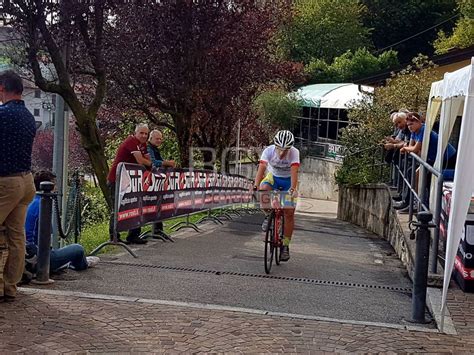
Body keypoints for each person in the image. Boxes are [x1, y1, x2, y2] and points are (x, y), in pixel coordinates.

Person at [0, 70, 37, 302]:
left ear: (2, 89)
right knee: (17, 238)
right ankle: (10, 287)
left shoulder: (2, 114)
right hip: (26, 182)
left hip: (6, 182)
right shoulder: (27, 116)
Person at [24, 171, 99, 274]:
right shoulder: (42, 204)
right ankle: (82, 264)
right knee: (78, 249)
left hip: (32, 253)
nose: (56, 188)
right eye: (54, 184)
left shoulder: (30, 201)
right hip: (39, 257)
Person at [394, 112, 457, 210]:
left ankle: (419, 203)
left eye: (412, 124)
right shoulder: (414, 131)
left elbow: (414, 149)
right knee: (412, 173)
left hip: (448, 157)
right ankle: (413, 202)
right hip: (433, 157)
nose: (410, 127)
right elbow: (412, 146)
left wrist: (406, 149)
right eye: (408, 125)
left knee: (422, 176)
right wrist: (408, 148)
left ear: (419, 122)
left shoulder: (423, 129)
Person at [254, 130, 300, 262]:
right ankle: (268, 215)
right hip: (273, 177)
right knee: (263, 190)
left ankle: (285, 245)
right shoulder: (268, 151)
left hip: (288, 181)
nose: (282, 153)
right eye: (279, 149)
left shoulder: (294, 153)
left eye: (285, 150)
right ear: (275, 146)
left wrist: (292, 189)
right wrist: (256, 185)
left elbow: (294, 171)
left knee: (289, 212)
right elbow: (261, 169)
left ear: (290, 148)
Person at [107, 123, 152, 244]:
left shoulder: (143, 144)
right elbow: (141, 160)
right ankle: (114, 237)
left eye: (146, 134)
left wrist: (148, 162)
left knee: (136, 206)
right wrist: (148, 163)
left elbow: (148, 160)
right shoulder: (131, 142)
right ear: (135, 133)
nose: (143, 136)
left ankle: (133, 235)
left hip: (131, 180)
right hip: (117, 180)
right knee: (117, 208)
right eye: (141, 133)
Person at [148, 130, 176, 235]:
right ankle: (156, 230)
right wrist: (167, 163)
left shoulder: (155, 149)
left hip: (156, 181)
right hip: (150, 181)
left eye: (160, 139)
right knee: (153, 204)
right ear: (151, 138)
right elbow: (153, 162)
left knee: (158, 204)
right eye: (157, 138)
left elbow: (158, 162)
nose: (159, 140)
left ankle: (158, 230)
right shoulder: (149, 148)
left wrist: (166, 163)